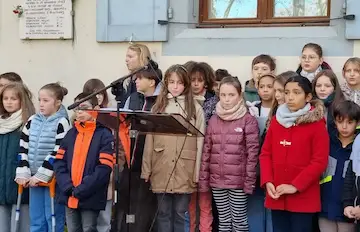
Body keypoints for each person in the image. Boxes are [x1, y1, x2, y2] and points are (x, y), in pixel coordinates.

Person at [260, 75, 329, 232]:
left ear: (308, 97)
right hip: (277, 193)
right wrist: (268, 181)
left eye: (296, 92)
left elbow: (319, 161)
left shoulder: (316, 124)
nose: (290, 97)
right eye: (287, 92)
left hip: (303, 197)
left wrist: (295, 186)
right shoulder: (277, 121)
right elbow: (265, 154)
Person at [141, 64, 205, 232]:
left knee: (180, 212)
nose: (175, 87)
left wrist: (197, 172)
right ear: (166, 83)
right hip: (161, 166)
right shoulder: (159, 106)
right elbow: (150, 139)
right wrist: (146, 169)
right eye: (171, 82)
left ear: (186, 85)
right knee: (162, 212)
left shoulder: (195, 108)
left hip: (185, 169)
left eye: (180, 83)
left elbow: (200, 141)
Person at [199, 76, 259, 232]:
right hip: (217, 180)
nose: (226, 99)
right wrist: (204, 180)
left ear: (239, 95)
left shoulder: (248, 120)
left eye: (231, 95)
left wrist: (249, 181)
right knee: (224, 221)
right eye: (223, 95)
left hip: (238, 182)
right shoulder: (213, 119)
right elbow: (206, 151)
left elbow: (252, 154)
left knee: (239, 221)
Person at [53, 92, 114, 232]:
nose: (80, 112)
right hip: (69, 194)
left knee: (89, 229)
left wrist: (83, 188)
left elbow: (104, 167)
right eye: (76, 108)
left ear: (96, 108)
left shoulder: (104, 134)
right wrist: (67, 186)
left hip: (90, 195)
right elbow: (59, 162)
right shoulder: (71, 133)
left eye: (84, 107)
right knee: (73, 229)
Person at [15, 83, 70, 232]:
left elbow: (59, 151)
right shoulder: (32, 120)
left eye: (46, 101)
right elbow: (23, 146)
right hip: (32, 178)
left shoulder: (62, 122)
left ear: (57, 102)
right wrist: (23, 171)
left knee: (51, 217)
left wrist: (42, 175)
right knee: (37, 218)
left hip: (52, 178)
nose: (41, 104)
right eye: (39, 100)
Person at [119, 67, 162, 231]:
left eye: (139, 78)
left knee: (145, 205)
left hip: (148, 160)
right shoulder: (133, 99)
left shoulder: (159, 101)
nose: (135, 81)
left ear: (151, 82)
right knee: (126, 202)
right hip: (130, 159)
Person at [319, 101, 360, 232]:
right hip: (325, 207)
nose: (344, 127)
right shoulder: (327, 142)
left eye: (350, 122)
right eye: (340, 121)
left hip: (349, 210)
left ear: (357, 123)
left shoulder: (357, 146)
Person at [0, 83, 35, 232]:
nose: (8, 102)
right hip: (2, 187)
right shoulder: (1, 123)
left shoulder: (29, 124)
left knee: (20, 226)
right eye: (5, 98)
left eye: (13, 99)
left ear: (22, 100)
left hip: (20, 186)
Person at [187, 61, 216, 232]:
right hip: (187, 156)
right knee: (189, 205)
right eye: (192, 80)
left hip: (207, 158)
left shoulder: (214, 101)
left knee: (205, 205)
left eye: (200, 80)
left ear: (206, 81)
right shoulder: (183, 100)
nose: (196, 84)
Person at [246, 74, 275, 232]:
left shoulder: (280, 110)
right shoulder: (251, 109)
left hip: (272, 165)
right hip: (254, 166)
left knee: (271, 206)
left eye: (269, 87)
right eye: (262, 86)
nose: (265, 90)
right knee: (255, 206)